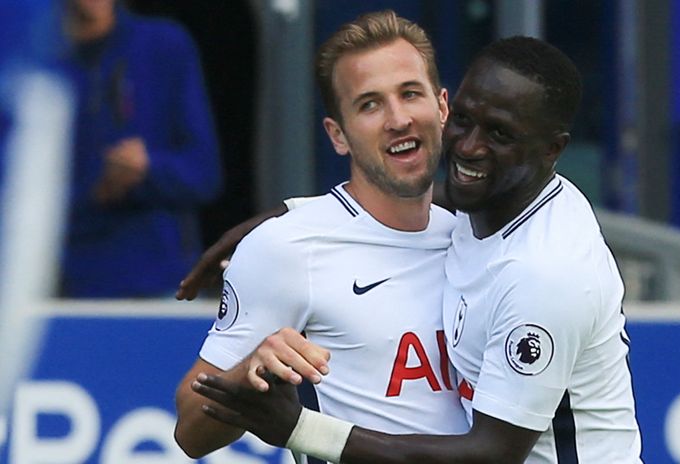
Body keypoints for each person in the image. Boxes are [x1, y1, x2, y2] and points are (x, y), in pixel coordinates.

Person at [191, 36, 643, 463]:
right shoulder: (497, 203)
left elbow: (491, 455)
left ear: (551, 150)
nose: (468, 147)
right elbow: (424, 197)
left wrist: (298, 428)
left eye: (499, 134)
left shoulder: (545, 272)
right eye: (465, 121)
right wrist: (285, 218)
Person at [173, 10, 468, 460]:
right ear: (338, 135)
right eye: (369, 104)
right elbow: (189, 431)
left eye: (410, 94)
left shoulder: (481, 238)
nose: (398, 119)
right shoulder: (285, 248)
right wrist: (247, 376)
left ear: (442, 107)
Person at [59, 0, 222, 297]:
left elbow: (204, 173)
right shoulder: (29, 60)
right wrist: (95, 190)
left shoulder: (163, 45)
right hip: (60, 284)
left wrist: (148, 168)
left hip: (159, 280)